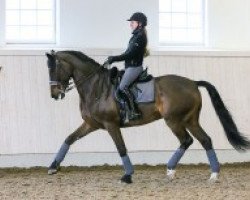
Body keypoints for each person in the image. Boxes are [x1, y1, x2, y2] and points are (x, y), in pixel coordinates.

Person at [105, 12, 149, 120]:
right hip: (129, 67)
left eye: (132, 22)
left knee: (122, 88)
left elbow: (130, 54)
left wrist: (114, 58)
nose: (130, 24)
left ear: (140, 24)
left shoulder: (140, 37)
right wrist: (113, 59)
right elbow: (127, 52)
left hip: (134, 68)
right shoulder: (135, 36)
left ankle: (134, 112)